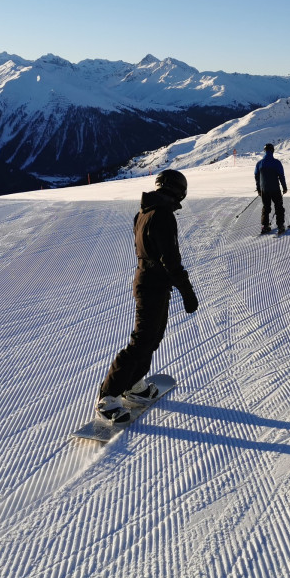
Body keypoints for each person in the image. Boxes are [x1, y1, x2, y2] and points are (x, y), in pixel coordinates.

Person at [95, 169, 198, 424]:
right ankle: (107, 397)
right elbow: (170, 260)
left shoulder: (144, 212)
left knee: (152, 338)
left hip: (151, 281)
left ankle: (132, 384)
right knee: (141, 341)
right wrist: (187, 292)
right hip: (151, 284)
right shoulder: (162, 215)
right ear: (178, 191)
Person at [255, 143, 288, 234]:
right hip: (275, 189)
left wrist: (259, 189)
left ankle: (265, 226)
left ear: (265, 151)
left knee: (266, 207)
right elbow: (281, 176)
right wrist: (284, 188)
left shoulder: (259, 163)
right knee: (279, 207)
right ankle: (280, 226)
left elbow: (257, 177)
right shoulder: (277, 163)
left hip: (264, 190)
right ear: (272, 151)